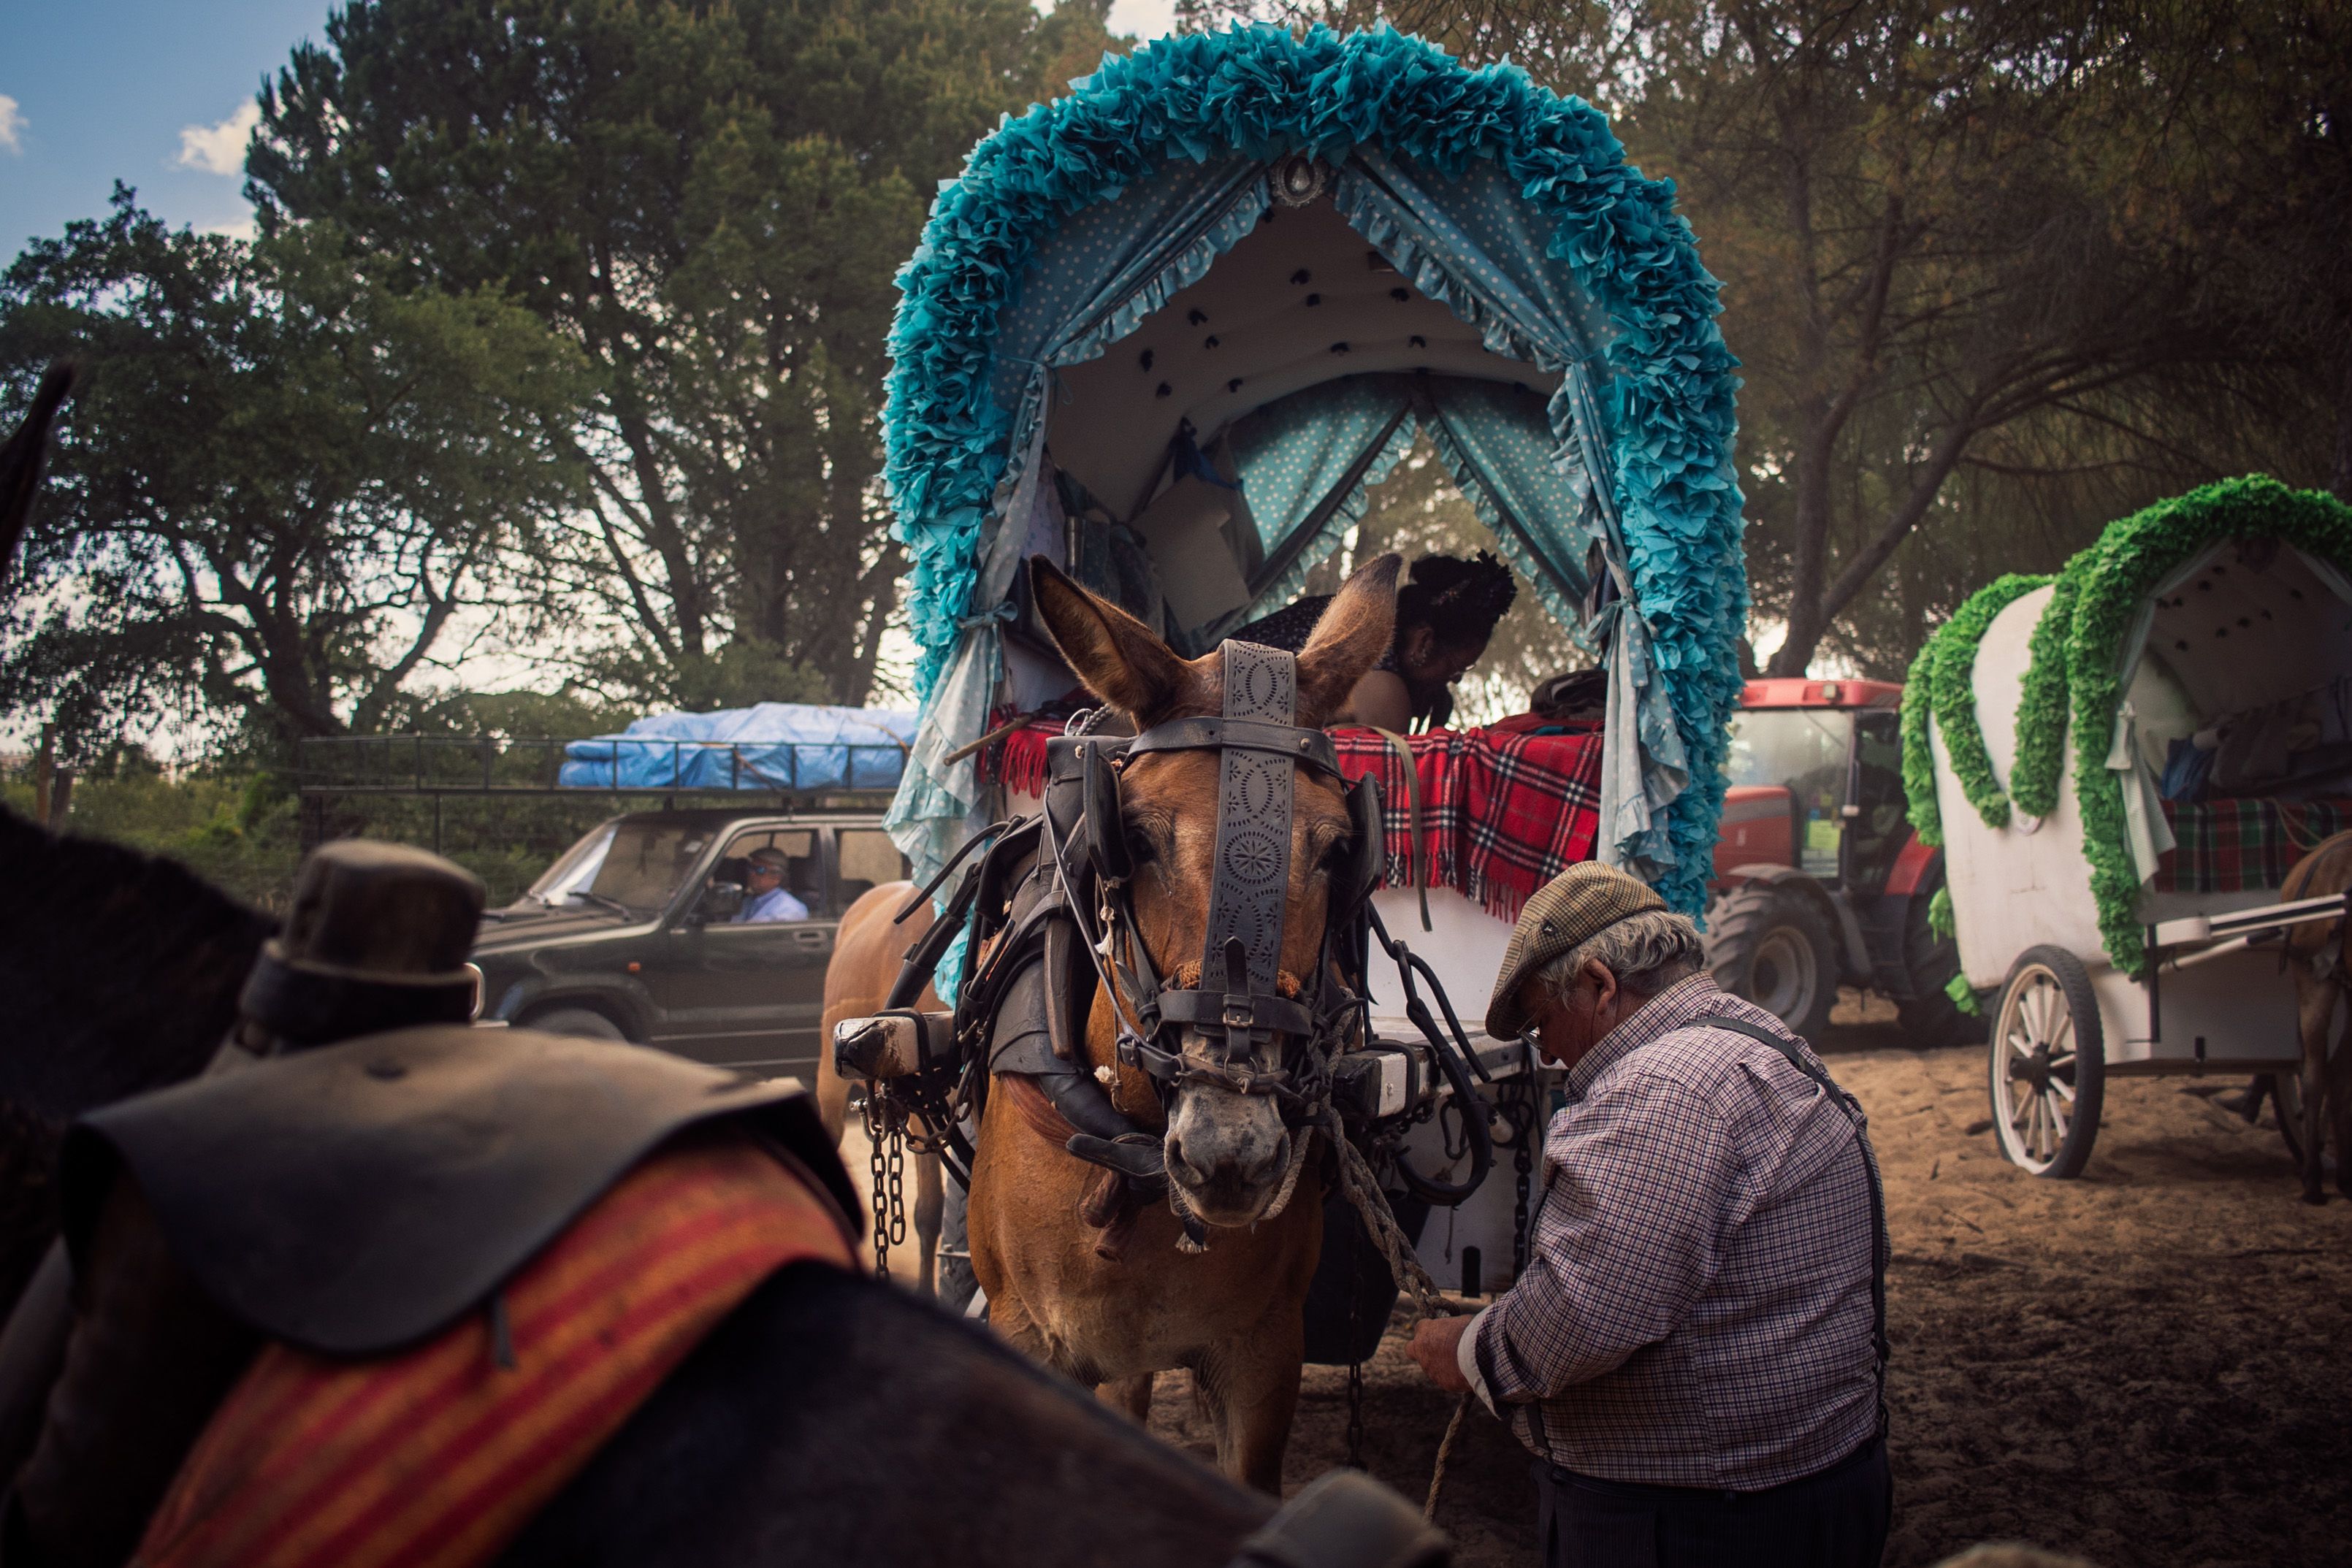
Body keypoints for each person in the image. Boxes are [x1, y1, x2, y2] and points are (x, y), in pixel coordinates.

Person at [1405, 862, 1890, 1568]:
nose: (1548, 1051)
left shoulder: (1660, 1090)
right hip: (1808, 1484)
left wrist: (1469, 1348)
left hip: (1702, 1525)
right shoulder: (1755, 1036)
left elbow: (1585, 1316)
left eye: (1544, 1021)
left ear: (1601, 986)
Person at [1229, 550, 1516, 731]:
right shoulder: (1382, 687)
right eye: (1458, 668)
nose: (1454, 681)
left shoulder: (1349, 611)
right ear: (1424, 642)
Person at [735, 846, 810, 923]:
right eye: (750, 868)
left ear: (776, 878)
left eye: (759, 870)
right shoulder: (747, 901)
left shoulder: (789, 910)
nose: (751, 873)